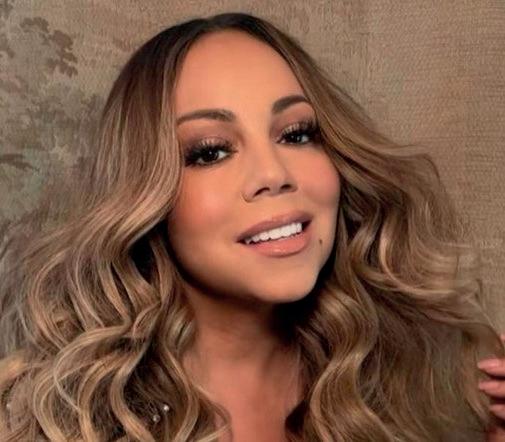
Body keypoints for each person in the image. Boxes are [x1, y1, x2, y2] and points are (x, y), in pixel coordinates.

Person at [0, 11, 504, 442]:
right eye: (210, 152)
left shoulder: (437, 375)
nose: (273, 174)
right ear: (143, 195)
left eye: (296, 134)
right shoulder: (42, 415)